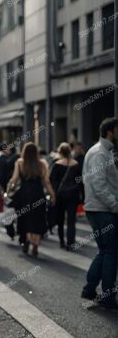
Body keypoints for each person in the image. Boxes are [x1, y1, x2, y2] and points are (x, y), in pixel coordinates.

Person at [80, 117, 118, 309]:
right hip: (102, 210)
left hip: (98, 209)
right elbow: (99, 185)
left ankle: (90, 289)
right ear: (110, 131)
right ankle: (108, 294)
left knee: (105, 251)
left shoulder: (103, 152)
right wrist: (114, 205)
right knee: (111, 251)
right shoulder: (99, 154)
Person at [7, 142, 56, 257]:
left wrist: (9, 190)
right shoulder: (42, 164)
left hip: (23, 195)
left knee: (25, 218)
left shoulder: (19, 163)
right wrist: (52, 195)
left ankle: (27, 238)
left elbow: (14, 180)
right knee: (38, 219)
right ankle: (36, 245)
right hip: (38, 194)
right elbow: (47, 182)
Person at [49, 142, 83, 250]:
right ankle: (71, 243)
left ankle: (62, 241)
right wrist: (82, 195)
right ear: (69, 151)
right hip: (73, 195)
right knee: (71, 220)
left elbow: (51, 181)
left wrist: (52, 194)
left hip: (60, 195)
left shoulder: (57, 164)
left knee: (60, 219)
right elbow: (80, 181)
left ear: (60, 151)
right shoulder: (76, 164)